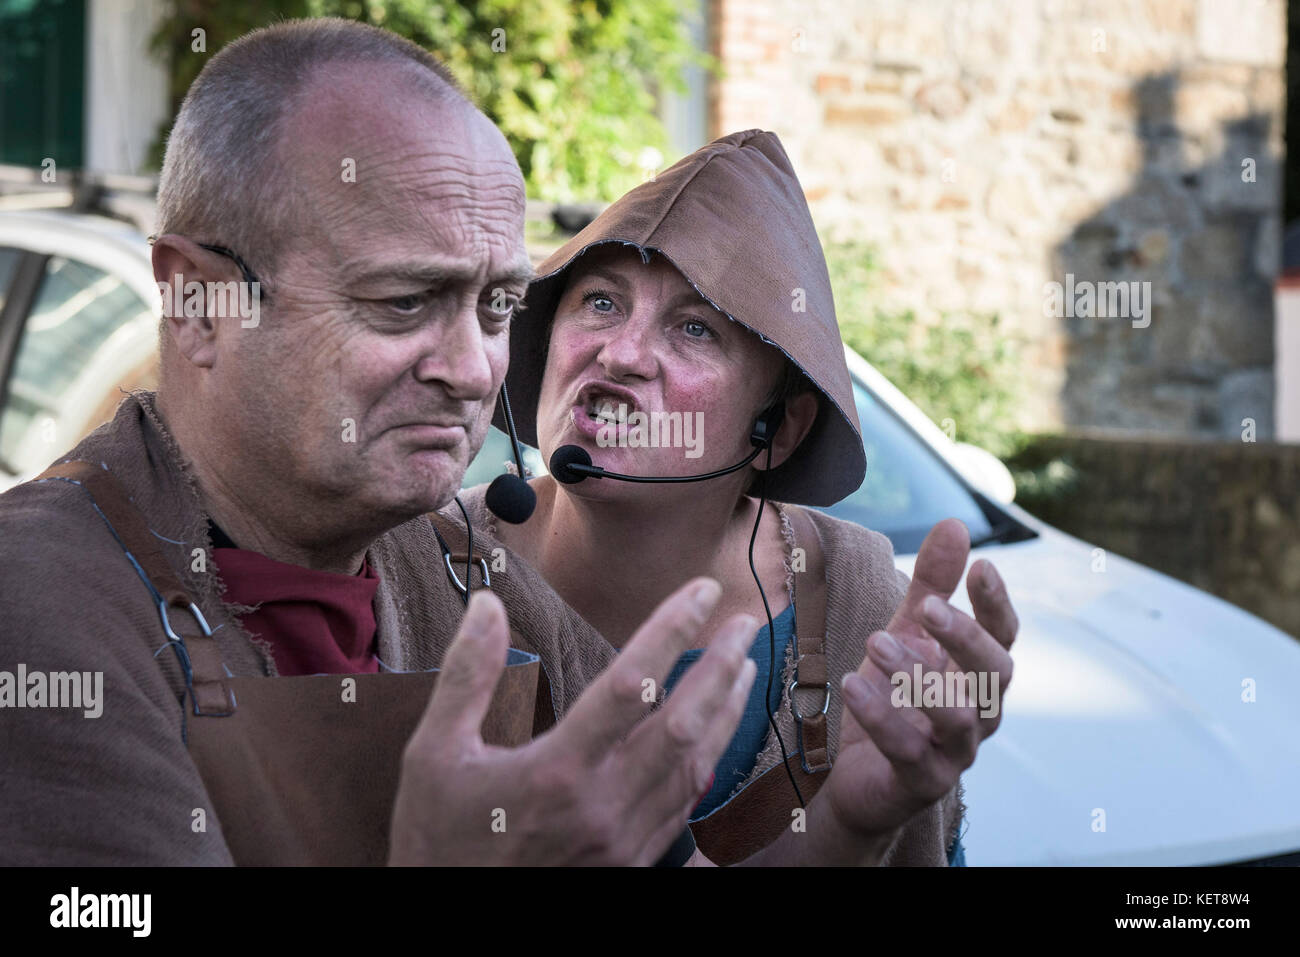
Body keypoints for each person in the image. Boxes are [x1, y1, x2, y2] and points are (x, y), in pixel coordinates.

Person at [0, 19, 759, 866]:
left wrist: (860, 818)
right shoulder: (35, 605)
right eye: (404, 301)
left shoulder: (451, 565)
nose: (474, 371)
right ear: (201, 303)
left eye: (496, 307)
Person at [449, 130, 1019, 865]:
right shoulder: (420, 567)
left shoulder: (861, 609)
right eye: (599, 301)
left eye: (694, 328)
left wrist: (866, 819)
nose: (621, 353)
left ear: (777, 428)